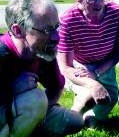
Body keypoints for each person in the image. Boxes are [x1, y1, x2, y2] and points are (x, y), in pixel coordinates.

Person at [0, 0, 84, 136]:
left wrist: (37, 114)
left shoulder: (42, 51)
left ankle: (26, 126)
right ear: (18, 31)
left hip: (17, 109)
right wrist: (17, 90)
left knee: (74, 121)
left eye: (57, 27)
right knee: (35, 98)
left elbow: (56, 87)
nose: (57, 37)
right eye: (47, 30)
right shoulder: (2, 52)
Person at [57, 0, 119, 126]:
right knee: (89, 92)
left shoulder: (117, 13)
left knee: (111, 96)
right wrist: (92, 83)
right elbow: (65, 67)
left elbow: (118, 51)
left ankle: (91, 116)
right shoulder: (68, 19)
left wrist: (96, 72)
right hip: (80, 64)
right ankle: (71, 116)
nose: (98, 3)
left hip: (106, 62)